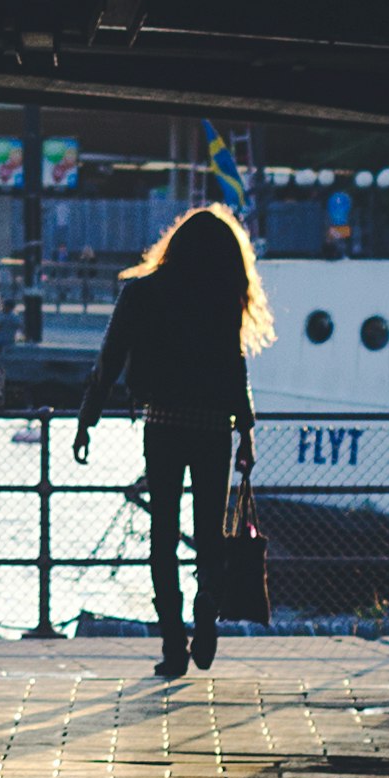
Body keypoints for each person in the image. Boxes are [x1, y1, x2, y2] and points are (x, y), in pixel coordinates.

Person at [72, 206, 273, 676]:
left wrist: (88, 417)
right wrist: (246, 432)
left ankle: (171, 645)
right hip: (212, 428)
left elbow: (110, 358)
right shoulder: (223, 296)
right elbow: (233, 366)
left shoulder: (142, 292)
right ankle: (206, 615)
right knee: (210, 535)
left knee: (162, 535)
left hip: (162, 423)